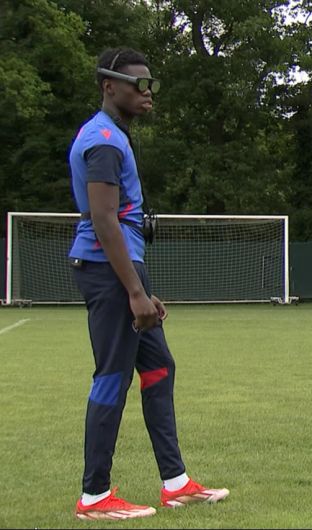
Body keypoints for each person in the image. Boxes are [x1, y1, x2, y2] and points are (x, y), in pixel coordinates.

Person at [68, 47, 229, 521]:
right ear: (109, 86)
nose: (148, 92)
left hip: (123, 270)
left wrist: (139, 284)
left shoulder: (114, 136)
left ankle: (175, 483)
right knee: (112, 379)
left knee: (159, 368)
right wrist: (133, 291)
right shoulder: (103, 141)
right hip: (106, 270)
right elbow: (103, 219)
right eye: (138, 84)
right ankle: (94, 496)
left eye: (151, 84)